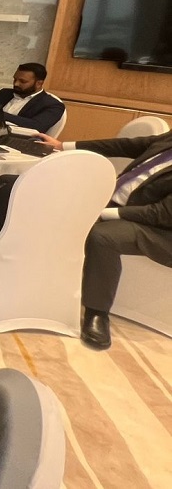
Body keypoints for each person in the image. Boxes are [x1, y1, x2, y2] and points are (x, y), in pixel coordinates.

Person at [35, 129, 172, 350]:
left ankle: (97, 313)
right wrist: (64, 146)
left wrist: (104, 212)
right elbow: (124, 146)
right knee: (57, 199)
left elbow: (162, 214)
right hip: (121, 203)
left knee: (103, 237)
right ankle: (44, 282)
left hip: (159, 229)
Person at [0, 63, 65, 134]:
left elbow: (36, 126)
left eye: (23, 81)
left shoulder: (53, 105)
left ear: (39, 84)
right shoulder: (4, 93)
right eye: (15, 79)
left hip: (21, 141)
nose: (16, 84)